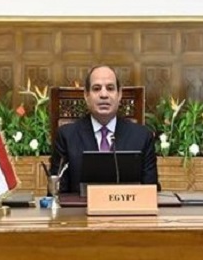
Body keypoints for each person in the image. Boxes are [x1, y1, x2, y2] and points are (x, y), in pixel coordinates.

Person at [50, 65, 158, 193]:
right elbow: (56, 193)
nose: (104, 94)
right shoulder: (67, 137)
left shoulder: (142, 137)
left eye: (110, 88)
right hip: (81, 206)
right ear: (86, 95)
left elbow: (151, 192)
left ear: (119, 94)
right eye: (96, 89)